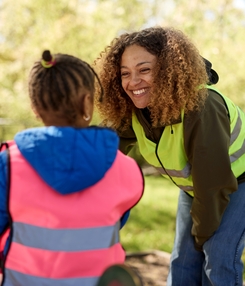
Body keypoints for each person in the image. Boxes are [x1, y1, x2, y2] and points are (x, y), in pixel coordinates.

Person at [94, 26, 245, 286]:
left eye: (144, 70)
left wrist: (201, 236)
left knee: (217, 259)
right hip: (196, 189)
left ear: (167, 70)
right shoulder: (138, 110)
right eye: (125, 74)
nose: (133, 82)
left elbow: (213, 187)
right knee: (182, 262)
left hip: (236, 185)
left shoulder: (202, 107)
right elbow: (101, 147)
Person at [0, 50, 144, 286]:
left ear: (36, 108)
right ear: (87, 102)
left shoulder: (9, 164)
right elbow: (112, 224)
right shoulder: (127, 169)